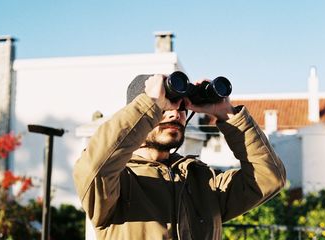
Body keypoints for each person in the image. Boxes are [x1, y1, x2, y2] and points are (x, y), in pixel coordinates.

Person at [73, 73, 286, 240]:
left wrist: (226, 113)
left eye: (181, 107)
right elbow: (94, 168)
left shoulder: (203, 183)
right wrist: (151, 103)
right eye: (165, 107)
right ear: (141, 112)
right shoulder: (116, 183)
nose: (175, 113)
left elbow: (270, 177)